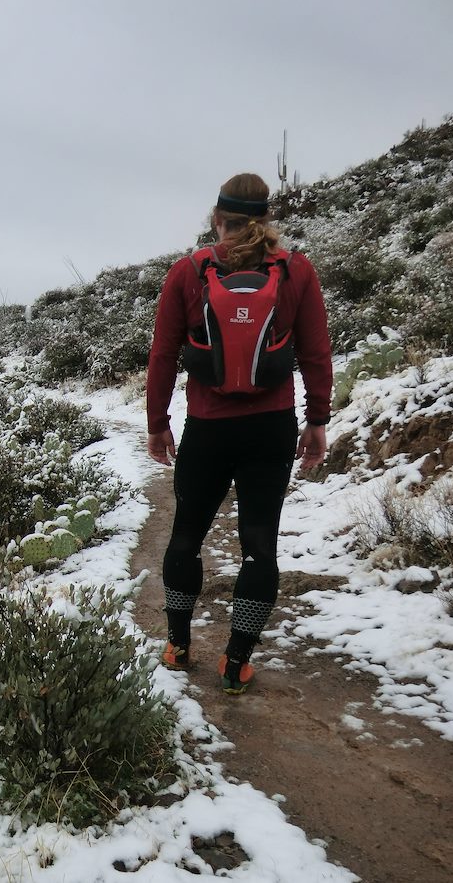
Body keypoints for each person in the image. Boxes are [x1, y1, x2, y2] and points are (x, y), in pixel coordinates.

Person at [145, 172, 333, 695]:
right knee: (258, 545)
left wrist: (157, 422)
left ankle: (178, 647)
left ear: (216, 219)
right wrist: (317, 419)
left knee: (186, 537)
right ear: (266, 220)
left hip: (208, 429)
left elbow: (162, 354)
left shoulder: (188, 273)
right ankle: (237, 663)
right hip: (270, 428)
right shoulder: (296, 271)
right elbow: (316, 352)